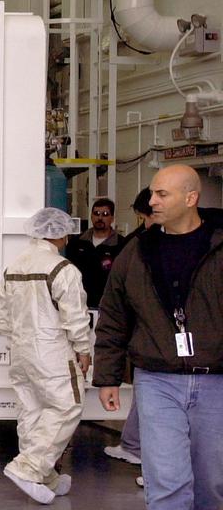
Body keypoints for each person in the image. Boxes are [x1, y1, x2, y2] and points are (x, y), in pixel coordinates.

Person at [95, 164, 223, 510]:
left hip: (215, 380)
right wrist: (108, 376)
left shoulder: (219, 243)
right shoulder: (137, 251)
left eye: (163, 194)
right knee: (167, 481)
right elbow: (113, 315)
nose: (152, 201)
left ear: (191, 198)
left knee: (210, 482)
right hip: (157, 379)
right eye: (152, 194)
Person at [0, 207, 92, 505]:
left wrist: (17, 342)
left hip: (21, 350)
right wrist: (83, 349)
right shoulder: (63, 269)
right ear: (61, 234)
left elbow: (4, 316)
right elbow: (75, 317)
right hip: (52, 350)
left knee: (32, 409)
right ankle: (28, 468)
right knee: (67, 406)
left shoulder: (13, 268)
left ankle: (45, 474)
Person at [105, 186, 154, 472]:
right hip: (153, 351)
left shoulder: (208, 243)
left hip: (195, 359)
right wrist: (108, 377)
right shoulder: (138, 247)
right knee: (149, 402)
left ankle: (143, 456)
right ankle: (141, 454)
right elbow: (116, 307)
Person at [66, 198, 125, 308]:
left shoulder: (122, 245)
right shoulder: (76, 243)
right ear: (91, 216)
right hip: (79, 304)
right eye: (96, 214)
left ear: (112, 218)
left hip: (109, 305)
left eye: (105, 214)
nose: (100, 218)